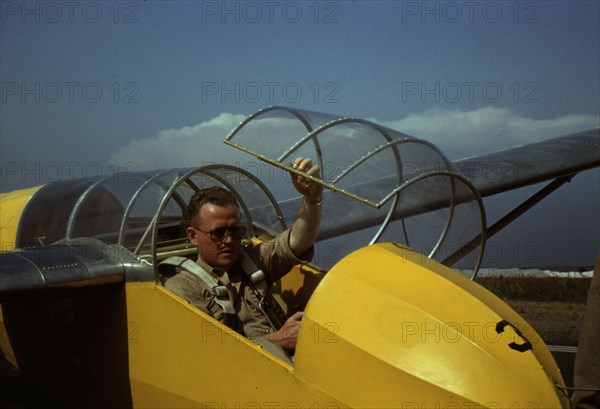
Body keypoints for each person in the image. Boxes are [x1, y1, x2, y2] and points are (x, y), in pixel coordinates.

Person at [163, 157, 323, 360]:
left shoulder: (253, 260)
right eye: (218, 233)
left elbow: (298, 242)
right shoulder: (182, 288)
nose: (229, 240)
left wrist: (313, 200)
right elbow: (209, 354)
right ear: (193, 236)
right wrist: (279, 339)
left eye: (236, 231)